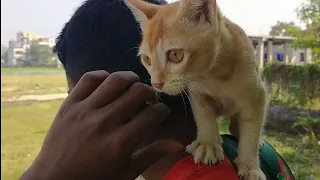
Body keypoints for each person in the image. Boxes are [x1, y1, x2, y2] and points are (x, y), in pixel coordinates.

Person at [20, 0, 295, 180]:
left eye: (75, 100)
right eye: (148, 61)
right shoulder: (255, 149)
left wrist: (44, 175)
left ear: (108, 106)